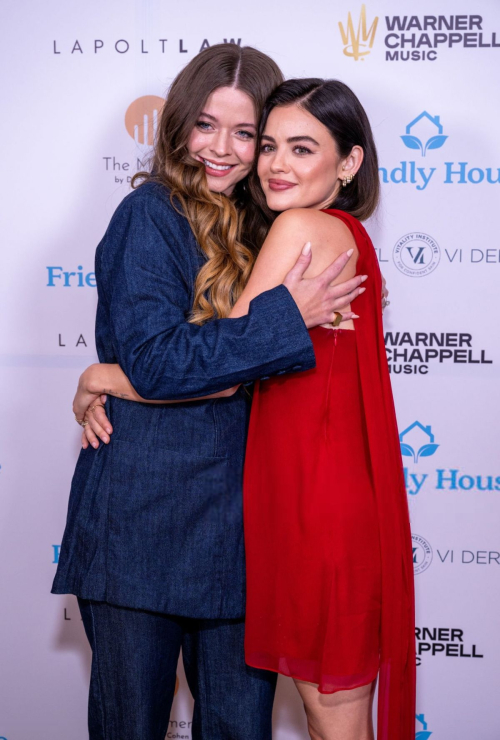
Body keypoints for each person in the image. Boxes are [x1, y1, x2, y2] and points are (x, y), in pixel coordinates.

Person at [52, 45, 366, 740]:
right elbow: (161, 362)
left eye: (246, 133)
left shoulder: (274, 223)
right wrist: (287, 318)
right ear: (177, 128)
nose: (222, 150)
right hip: (142, 523)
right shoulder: (150, 216)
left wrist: (104, 377)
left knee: (239, 730)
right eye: (204, 125)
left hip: (245, 532)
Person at [230, 79, 416, 740]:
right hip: (328, 502)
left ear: (348, 163)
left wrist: (104, 374)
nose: (276, 164)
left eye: (302, 148)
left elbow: (223, 361)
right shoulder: (350, 235)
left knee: (332, 716)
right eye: (271, 145)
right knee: (333, 716)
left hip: (315, 510)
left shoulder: (301, 227)